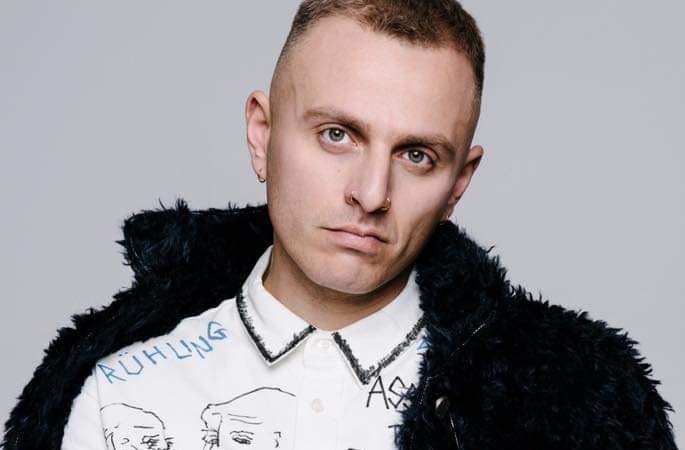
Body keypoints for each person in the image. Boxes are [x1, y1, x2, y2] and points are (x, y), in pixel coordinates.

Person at [2, 1, 677, 449]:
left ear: (458, 183)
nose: (371, 193)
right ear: (262, 134)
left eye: (416, 155)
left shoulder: (575, 401)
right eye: (337, 135)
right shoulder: (121, 393)